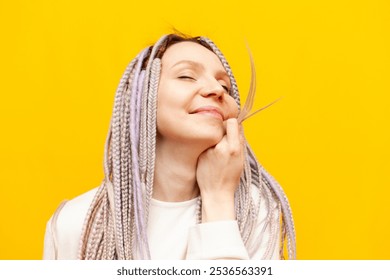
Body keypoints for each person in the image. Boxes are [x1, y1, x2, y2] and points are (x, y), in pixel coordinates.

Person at [43, 34, 296, 260]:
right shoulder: (75, 223)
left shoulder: (258, 213)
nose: (216, 90)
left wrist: (218, 198)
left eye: (225, 86)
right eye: (186, 75)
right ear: (143, 98)